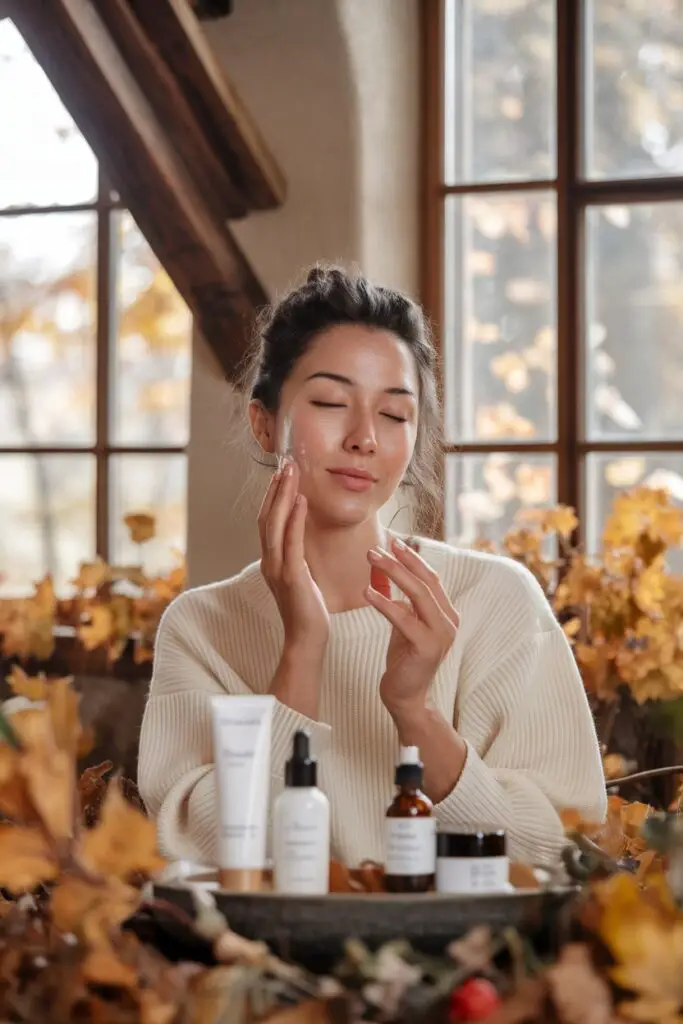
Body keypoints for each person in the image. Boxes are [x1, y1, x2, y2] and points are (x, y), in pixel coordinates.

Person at [138, 265, 606, 870]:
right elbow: (196, 850)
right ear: (264, 423)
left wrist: (415, 709)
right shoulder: (201, 628)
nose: (364, 437)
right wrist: (303, 647)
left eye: (394, 415)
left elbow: (562, 851)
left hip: (476, 958)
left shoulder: (494, 599)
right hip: (259, 958)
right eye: (332, 402)